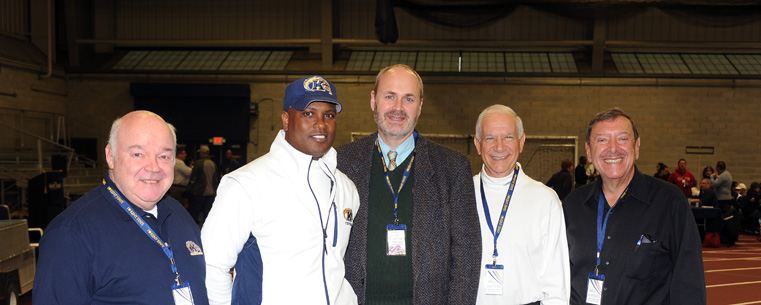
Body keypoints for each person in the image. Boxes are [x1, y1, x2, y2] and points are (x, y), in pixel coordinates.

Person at [202, 75, 360, 305]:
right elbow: (211, 265)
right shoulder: (246, 185)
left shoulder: (346, 188)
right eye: (308, 113)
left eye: (329, 115)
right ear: (286, 119)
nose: (321, 124)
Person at [336, 64, 480, 304]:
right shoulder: (341, 163)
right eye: (390, 96)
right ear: (373, 100)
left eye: (408, 99)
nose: (398, 108)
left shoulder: (453, 169)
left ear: (420, 105)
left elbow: (467, 256)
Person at [34, 110, 209, 305]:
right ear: (111, 156)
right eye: (138, 154)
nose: (154, 167)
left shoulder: (179, 214)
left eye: (164, 156)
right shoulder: (71, 234)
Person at [563, 108, 705, 305]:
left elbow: (689, 283)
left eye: (622, 139)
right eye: (602, 140)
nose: (613, 148)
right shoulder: (572, 205)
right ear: (588, 150)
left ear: (636, 147)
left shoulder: (670, 202)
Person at [472, 105, 569, 305]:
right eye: (490, 138)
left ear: (521, 141)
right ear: (478, 144)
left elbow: (556, 281)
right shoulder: (459, 193)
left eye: (508, 137)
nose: (499, 147)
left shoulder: (545, 199)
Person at [187, 145, 218, 224]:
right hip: (211, 193)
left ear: (202, 153)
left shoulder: (198, 163)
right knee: (207, 215)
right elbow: (215, 180)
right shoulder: (213, 164)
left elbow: (193, 178)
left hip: (199, 192)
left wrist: (189, 189)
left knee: (195, 213)